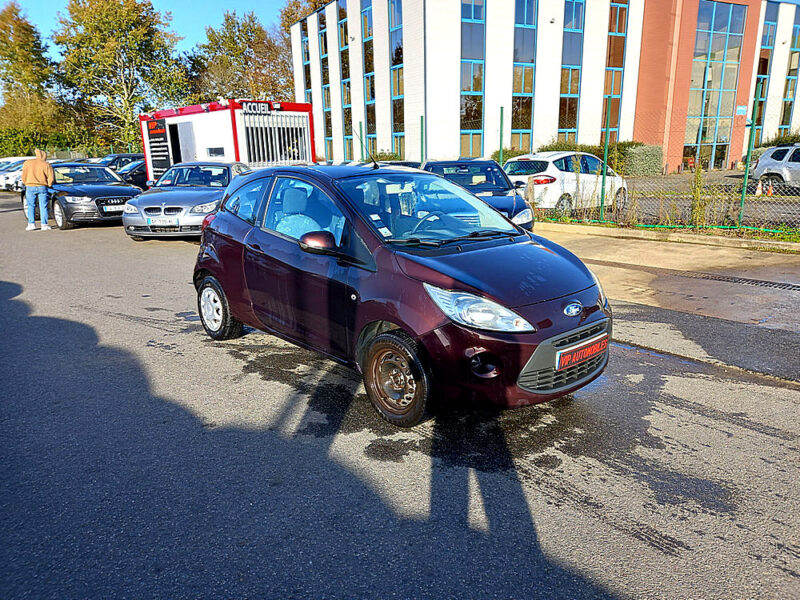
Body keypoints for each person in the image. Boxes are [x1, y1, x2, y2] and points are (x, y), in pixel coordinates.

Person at [21, 149, 55, 231]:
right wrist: (49, 184)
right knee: (43, 206)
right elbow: (51, 177)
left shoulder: (27, 163)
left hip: (30, 186)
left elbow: (23, 175)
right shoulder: (46, 164)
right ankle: (44, 224)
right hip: (42, 186)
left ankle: (31, 224)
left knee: (31, 205)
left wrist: (26, 183)